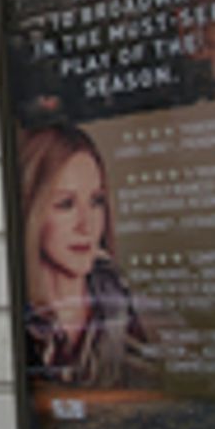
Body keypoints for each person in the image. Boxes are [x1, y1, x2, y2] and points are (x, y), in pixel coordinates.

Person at [19, 124, 149, 389]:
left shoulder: (118, 300)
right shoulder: (18, 315)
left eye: (96, 201)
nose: (86, 225)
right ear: (32, 213)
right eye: (65, 204)